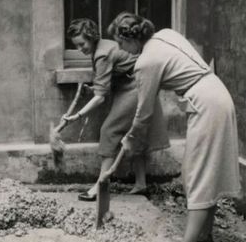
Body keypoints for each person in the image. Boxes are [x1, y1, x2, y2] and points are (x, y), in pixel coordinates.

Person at [107, 12, 242, 242]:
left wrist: (130, 139)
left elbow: (144, 112)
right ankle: (204, 237)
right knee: (203, 170)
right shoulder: (166, 34)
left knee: (197, 174)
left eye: (120, 43)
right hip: (217, 93)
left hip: (206, 104)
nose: (119, 49)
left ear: (133, 40)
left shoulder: (145, 63)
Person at [63, 18, 170, 201]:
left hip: (137, 87)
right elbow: (106, 79)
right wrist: (95, 88)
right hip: (129, 86)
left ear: (91, 37)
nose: (81, 49)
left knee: (109, 130)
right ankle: (141, 184)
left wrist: (77, 116)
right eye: (76, 46)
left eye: (82, 44)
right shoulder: (101, 46)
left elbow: (100, 96)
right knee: (134, 134)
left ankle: (100, 186)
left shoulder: (101, 53)